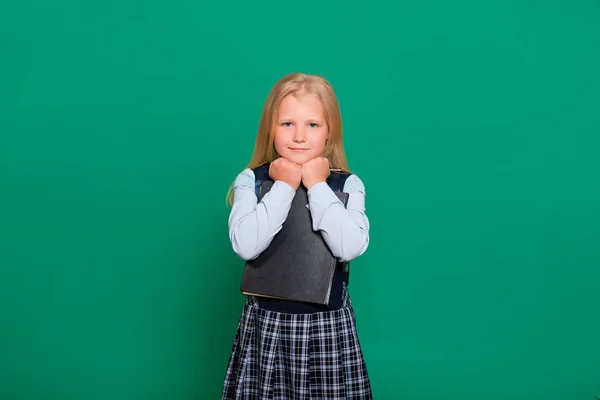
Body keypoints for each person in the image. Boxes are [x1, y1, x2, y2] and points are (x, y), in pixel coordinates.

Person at [222, 72, 372, 399]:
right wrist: (285, 186)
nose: (299, 136)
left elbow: (349, 248)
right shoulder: (250, 180)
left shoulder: (347, 184)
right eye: (287, 124)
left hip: (327, 327)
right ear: (270, 129)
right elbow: (247, 244)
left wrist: (317, 185)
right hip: (267, 325)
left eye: (313, 125)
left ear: (330, 131)